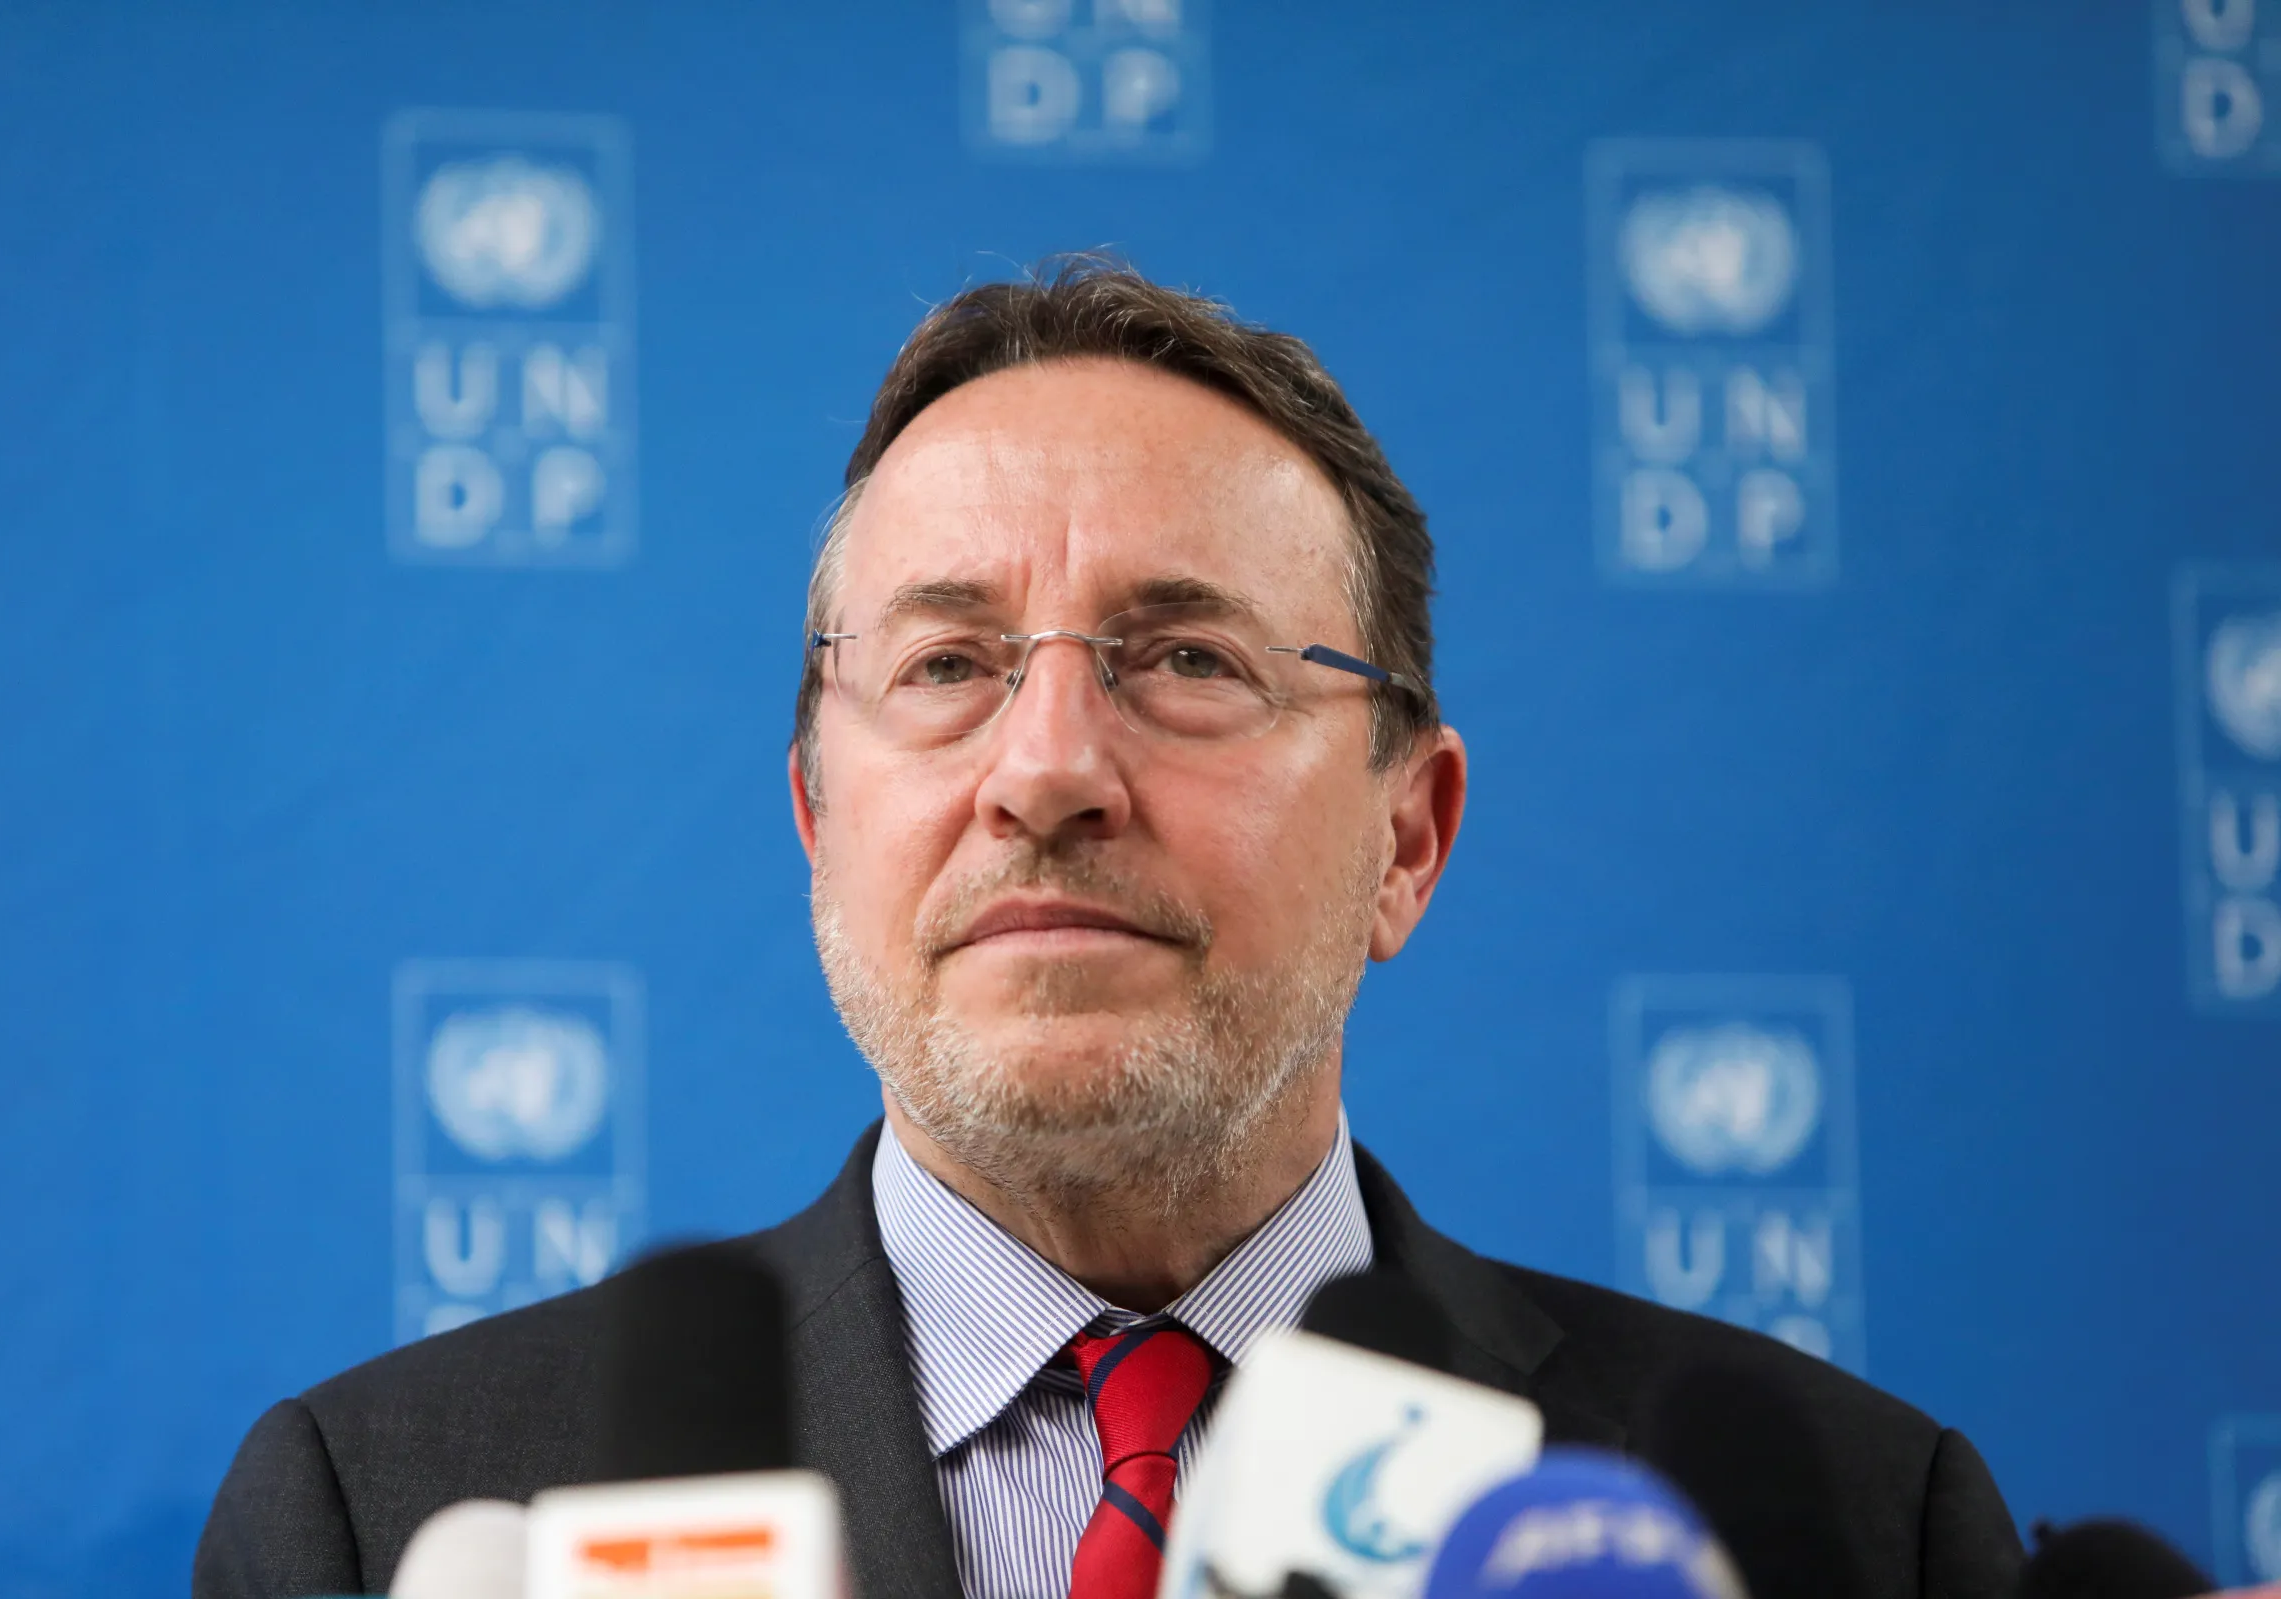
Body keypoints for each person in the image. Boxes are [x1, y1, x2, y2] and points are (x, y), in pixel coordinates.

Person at [195, 259, 2021, 1599]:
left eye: (1188, 660)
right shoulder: (386, 1515)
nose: (1048, 768)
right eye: (947, 665)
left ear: (1410, 835)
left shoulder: (1853, 1531)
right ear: (822, 817)